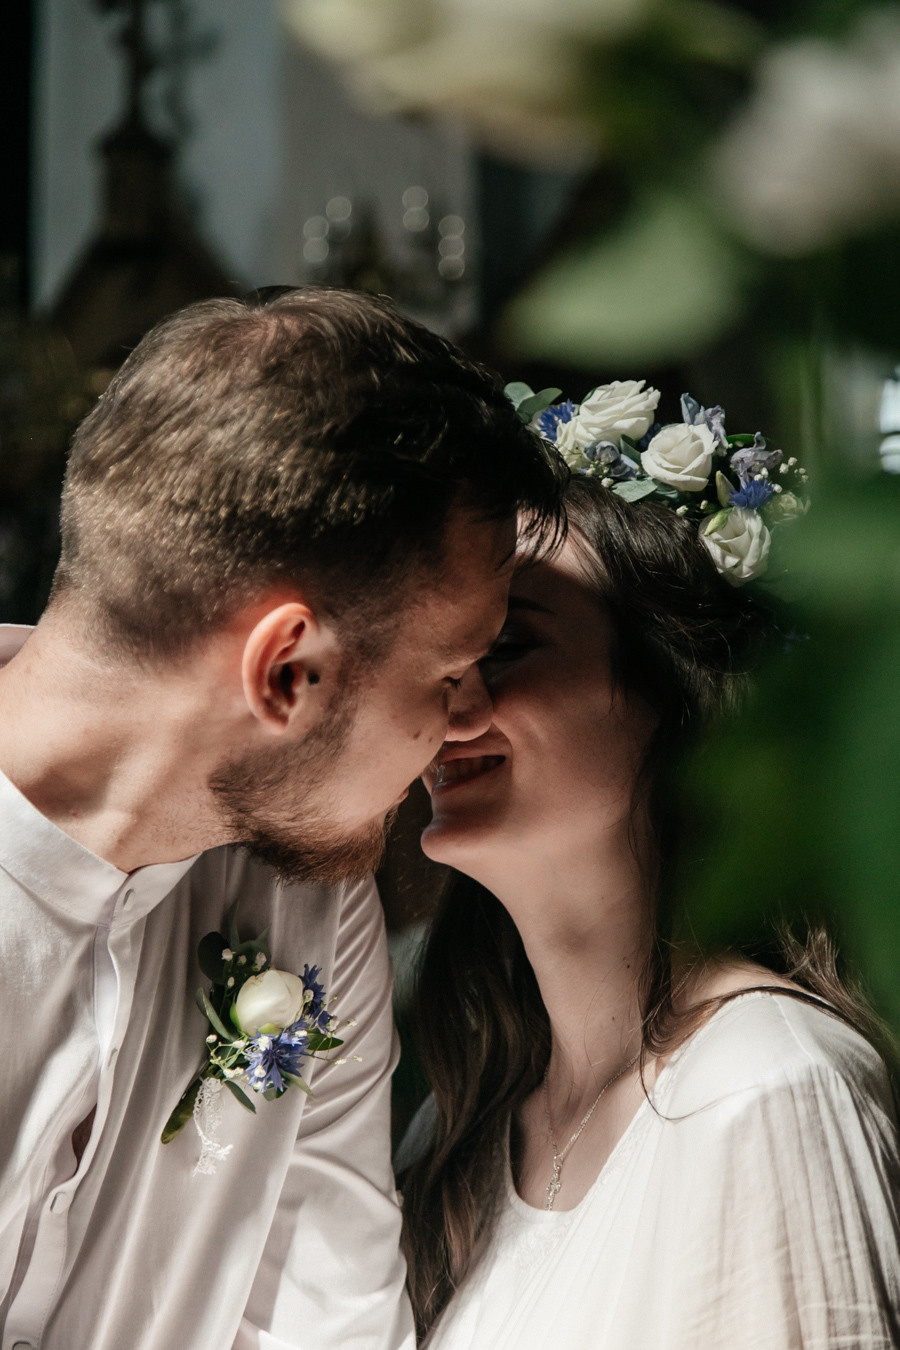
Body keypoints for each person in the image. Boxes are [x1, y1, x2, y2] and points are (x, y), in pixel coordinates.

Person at [0, 287, 563, 1350]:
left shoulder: (308, 895)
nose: (472, 720)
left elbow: (334, 1318)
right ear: (288, 672)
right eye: (449, 674)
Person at [401, 459, 900, 1348]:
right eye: (438, 658)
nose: (450, 703)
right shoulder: (459, 1126)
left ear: (677, 697)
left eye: (507, 647)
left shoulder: (766, 1082)